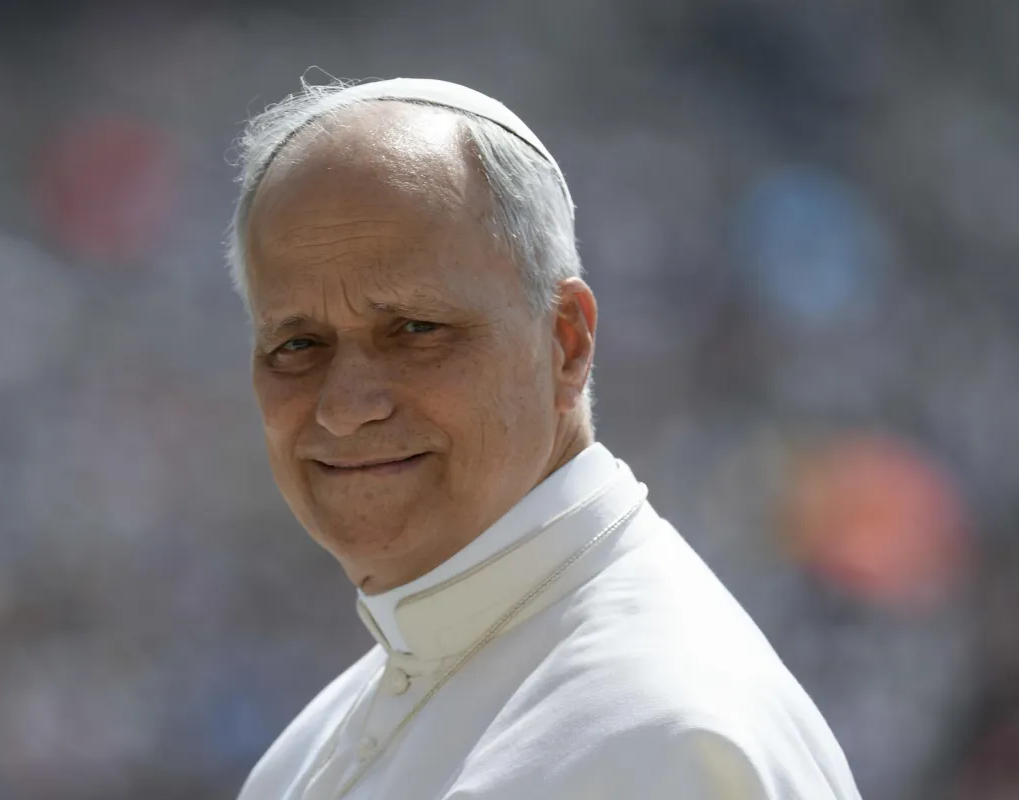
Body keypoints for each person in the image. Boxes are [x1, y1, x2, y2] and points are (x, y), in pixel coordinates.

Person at [227, 76, 862, 800]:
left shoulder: (660, 744)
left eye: (416, 329)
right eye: (298, 345)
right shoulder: (307, 751)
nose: (344, 408)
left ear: (566, 343)